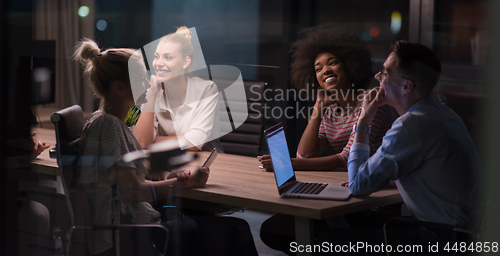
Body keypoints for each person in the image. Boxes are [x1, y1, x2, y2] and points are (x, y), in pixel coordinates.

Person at [74, 38, 257, 256]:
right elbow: (134, 190)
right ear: (121, 87)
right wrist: (183, 184)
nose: (149, 80)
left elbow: (128, 170)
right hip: (132, 234)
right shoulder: (110, 125)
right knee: (237, 230)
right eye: (141, 77)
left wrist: (166, 174)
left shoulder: (108, 121)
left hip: (134, 226)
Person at [319, 41, 485, 253]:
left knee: (325, 240)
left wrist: (363, 120)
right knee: (347, 221)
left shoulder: (411, 125)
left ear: (406, 86)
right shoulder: (444, 112)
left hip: (437, 240)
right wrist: (384, 180)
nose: (378, 78)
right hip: (466, 236)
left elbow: (358, 186)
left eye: (386, 73)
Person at [258, 28, 397, 255]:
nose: (325, 71)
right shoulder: (330, 111)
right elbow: (307, 155)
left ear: (350, 65)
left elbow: (346, 159)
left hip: (373, 204)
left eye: (332, 63)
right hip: (347, 196)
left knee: (288, 232)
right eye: (318, 68)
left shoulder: (373, 105)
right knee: (273, 230)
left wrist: (288, 163)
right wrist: (317, 110)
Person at [135, 26, 222, 152]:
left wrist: (153, 141)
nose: (158, 63)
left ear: (185, 62)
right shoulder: (153, 92)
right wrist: (151, 95)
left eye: (168, 57)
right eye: (156, 56)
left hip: (207, 164)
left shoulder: (207, 89)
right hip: (168, 163)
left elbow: (194, 144)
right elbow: (141, 143)